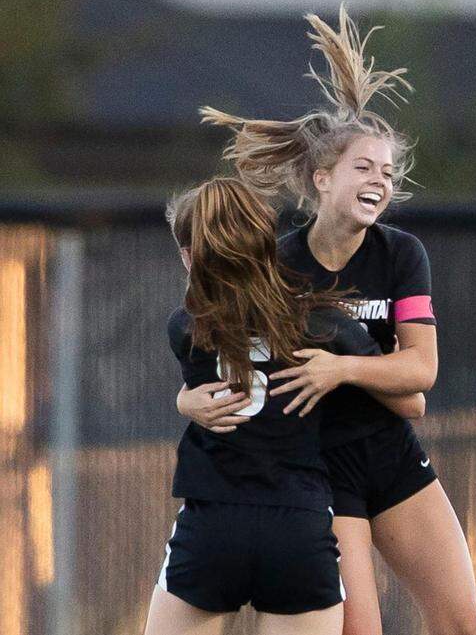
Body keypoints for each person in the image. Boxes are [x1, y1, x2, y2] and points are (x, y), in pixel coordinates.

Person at [176, 6, 476, 635]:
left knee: (463, 623)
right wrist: (186, 401)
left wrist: (342, 369)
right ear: (322, 178)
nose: (379, 181)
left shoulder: (401, 253)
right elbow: (214, 353)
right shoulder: (279, 264)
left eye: (388, 172)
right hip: (319, 470)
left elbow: (420, 377)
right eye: (363, 168)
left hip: (392, 455)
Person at [148, 177, 421, 635]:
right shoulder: (325, 322)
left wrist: (183, 402)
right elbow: (412, 402)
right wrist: (351, 366)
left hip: (214, 524)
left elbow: (220, 364)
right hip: (298, 527)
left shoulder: (185, 328)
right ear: (267, 246)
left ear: (190, 257)